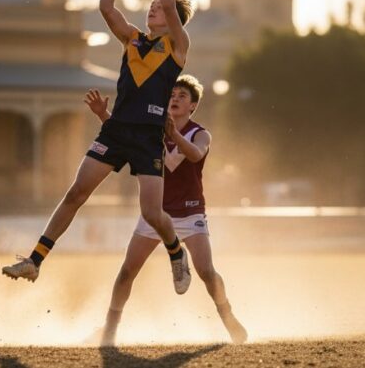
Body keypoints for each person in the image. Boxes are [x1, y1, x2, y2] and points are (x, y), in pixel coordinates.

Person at [3, 0, 193, 294]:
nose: (154, 6)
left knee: (153, 214)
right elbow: (106, 8)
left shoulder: (178, 47)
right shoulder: (133, 39)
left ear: (173, 20)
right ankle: (34, 261)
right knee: (76, 193)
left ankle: (175, 252)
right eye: (151, 3)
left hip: (148, 137)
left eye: (159, 5)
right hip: (117, 129)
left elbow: (171, 6)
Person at [84, 76, 247, 346]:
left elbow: (192, 155)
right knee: (127, 272)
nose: (174, 98)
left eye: (182, 95)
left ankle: (227, 316)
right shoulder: (152, 129)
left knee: (206, 271)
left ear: (193, 106)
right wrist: (104, 116)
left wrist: (173, 136)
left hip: (190, 213)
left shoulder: (199, 133)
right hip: (155, 214)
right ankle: (110, 328)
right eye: (171, 94)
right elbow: (124, 140)